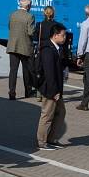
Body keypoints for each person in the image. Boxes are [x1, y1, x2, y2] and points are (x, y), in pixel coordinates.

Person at [36, 23, 69, 151]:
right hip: (50, 89)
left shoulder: (57, 48)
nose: (65, 37)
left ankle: (52, 138)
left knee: (61, 112)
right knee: (47, 115)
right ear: (55, 35)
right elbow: (49, 73)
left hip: (56, 89)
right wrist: (54, 91)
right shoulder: (48, 50)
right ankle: (41, 142)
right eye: (63, 35)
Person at [6, 0, 36, 100]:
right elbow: (30, 32)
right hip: (25, 47)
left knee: (13, 70)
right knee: (26, 70)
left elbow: (9, 27)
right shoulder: (30, 16)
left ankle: (12, 93)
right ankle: (28, 92)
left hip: (13, 46)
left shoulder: (12, 14)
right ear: (28, 6)